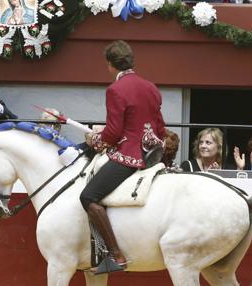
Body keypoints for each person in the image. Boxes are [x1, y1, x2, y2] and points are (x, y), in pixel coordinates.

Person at [79, 40, 165, 273]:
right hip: (154, 154)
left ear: (110, 64)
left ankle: (116, 255)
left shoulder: (115, 90)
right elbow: (160, 127)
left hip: (130, 156)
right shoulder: (151, 87)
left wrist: (97, 140)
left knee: (88, 196)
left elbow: (115, 132)